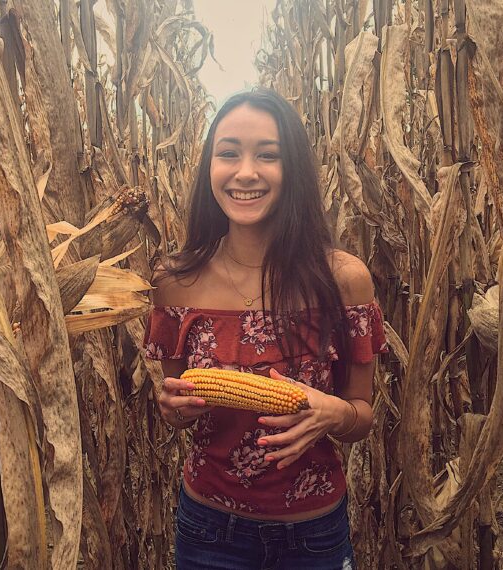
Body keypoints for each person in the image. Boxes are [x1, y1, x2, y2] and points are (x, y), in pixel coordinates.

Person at [143, 88, 387, 569]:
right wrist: (175, 407)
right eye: (228, 153)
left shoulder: (343, 280)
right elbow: (176, 411)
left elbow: (363, 416)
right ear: (210, 168)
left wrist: (332, 413)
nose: (246, 172)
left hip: (312, 533)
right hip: (209, 529)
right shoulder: (175, 283)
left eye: (268, 156)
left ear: (292, 169)